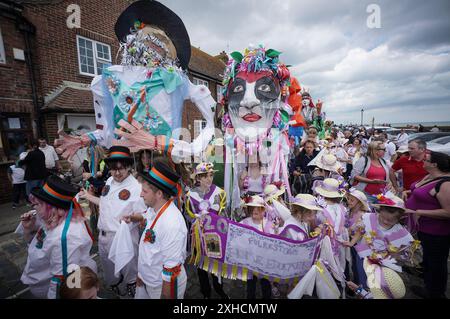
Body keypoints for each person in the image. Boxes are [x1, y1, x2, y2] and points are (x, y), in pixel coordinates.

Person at [78, 146, 147, 298]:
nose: (117, 173)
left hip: (123, 239)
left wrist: (132, 218)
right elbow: (105, 203)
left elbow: (143, 215)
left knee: (128, 276)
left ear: (128, 167)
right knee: (113, 278)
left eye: (121, 169)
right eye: (113, 169)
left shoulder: (136, 187)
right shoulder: (109, 181)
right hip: (103, 239)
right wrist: (87, 196)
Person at [20, 176, 97, 299]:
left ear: (51, 208)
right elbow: (39, 244)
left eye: (39, 204)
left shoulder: (66, 237)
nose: (34, 207)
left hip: (45, 285)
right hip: (39, 278)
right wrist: (29, 230)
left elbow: (63, 282)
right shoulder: (52, 218)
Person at [123, 161, 188, 299]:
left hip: (161, 287)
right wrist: (141, 275)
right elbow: (147, 217)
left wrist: (165, 296)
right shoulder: (155, 209)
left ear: (159, 193)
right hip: (149, 281)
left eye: (145, 191)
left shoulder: (171, 224)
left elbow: (171, 270)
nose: (141, 194)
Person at [404, 151, 450, 299]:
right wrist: (407, 192)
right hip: (425, 228)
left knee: (437, 263)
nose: (423, 161)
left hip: (437, 232)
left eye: (426, 159)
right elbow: (420, 192)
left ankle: (436, 293)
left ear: (434, 164)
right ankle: (429, 286)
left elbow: (448, 212)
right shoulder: (431, 177)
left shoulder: (445, 184)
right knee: (429, 260)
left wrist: (419, 211)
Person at [185, 162, 229, 299]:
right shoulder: (190, 195)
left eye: (211, 175)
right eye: (205, 176)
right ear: (198, 178)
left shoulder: (220, 193)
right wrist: (197, 220)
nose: (209, 179)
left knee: (216, 265)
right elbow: (187, 215)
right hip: (198, 236)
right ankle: (206, 292)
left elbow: (224, 215)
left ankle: (218, 287)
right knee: (201, 266)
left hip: (214, 237)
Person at [343, 193, 417, 275]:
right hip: (363, 256)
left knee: (376, 284)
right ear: (379, 211)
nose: (385, 221)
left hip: (384, 266)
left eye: (390, 220)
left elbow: (408, 252)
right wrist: (351, 242)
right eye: (383, 218)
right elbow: (361, 230)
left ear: (399, 218)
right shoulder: (368, 218)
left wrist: (396, 254)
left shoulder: (402, 233)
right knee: (361, 275)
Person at [240, 195, 273, 299]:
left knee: (266, 285)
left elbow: (274, 242)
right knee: (251, 285)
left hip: (264, 262)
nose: (255, 210)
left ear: (264, 210)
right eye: (253, 207)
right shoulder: (244, 223)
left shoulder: (268, 224)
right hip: (250, 261)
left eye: (258, 208)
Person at [313, 178, 349, 270]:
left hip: (326, 242)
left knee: (327, 265)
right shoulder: (342, 208)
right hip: (341, 241)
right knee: (339, 264)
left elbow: (316, 223)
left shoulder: (320, 209)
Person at [344, 188, 370, 288]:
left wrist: (349, 231)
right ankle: (356, 282)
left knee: (360, 266)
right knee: (354, 263)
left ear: (359, 204)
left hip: (360, 245)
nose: (349, 202)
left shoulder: (362, 215)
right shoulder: (350, 212)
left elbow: (359, 231)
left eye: (352, 200)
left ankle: (361, 285)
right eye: (349, 199)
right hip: (353, 242)